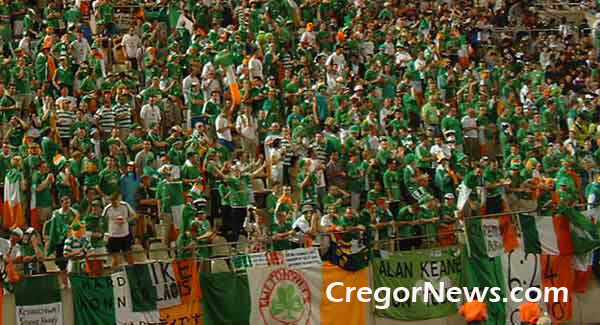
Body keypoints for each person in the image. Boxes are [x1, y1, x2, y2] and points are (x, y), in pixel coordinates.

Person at [102, 193, 136, 269]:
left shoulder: (125, 205)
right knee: (115, 258)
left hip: (125, 235)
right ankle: (113, 275)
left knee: (129, 256)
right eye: (112, 202)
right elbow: (102, 220)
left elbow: (134, 215)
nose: (114, 203)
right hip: (113, 236)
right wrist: (105, 233)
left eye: (115, 201)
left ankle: (132, 273)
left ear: (119, 199)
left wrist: (126, 220)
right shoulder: (107, 208)